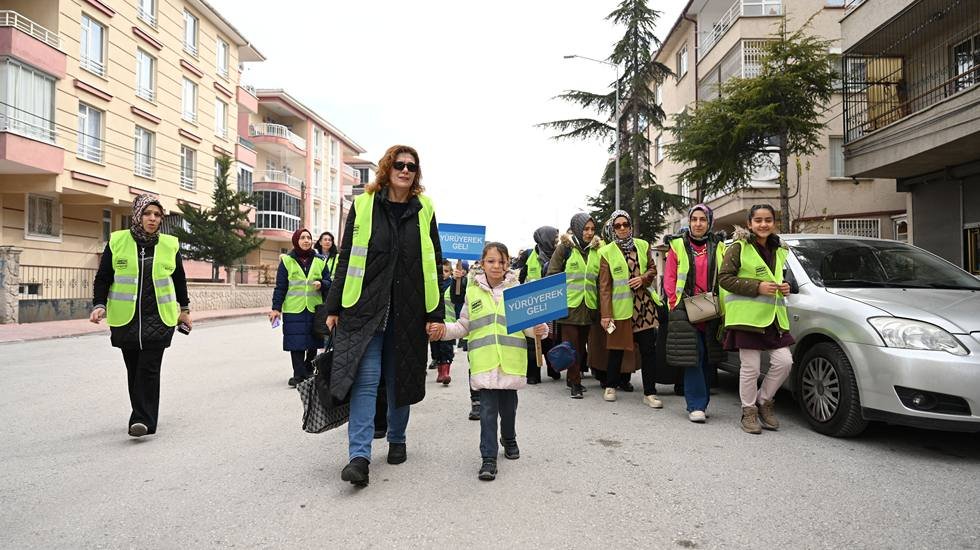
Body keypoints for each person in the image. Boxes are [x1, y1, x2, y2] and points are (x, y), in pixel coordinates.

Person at [324, 145, 444, 488]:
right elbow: (346, 257)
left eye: (412, 166)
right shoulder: (363, 206)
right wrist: (333, 307)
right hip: (365, 309)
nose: (405, 170)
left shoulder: (424, 209)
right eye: (400, 165)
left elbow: (433, 261)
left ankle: (397, 438)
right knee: (366, 380)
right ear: (388, 168)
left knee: (399, 377)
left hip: (409, 309)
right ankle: (358, 458)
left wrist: (434, 313)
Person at [430, 242, 548, 481]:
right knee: (487, 412)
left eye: (502, 261)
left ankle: (509, 437)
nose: (497, 266)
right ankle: (488, 458)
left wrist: (539, 329)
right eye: (491, 261)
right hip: (484, 364)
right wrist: (443, 331)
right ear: (482, 263)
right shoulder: (472, 292)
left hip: (510, 364)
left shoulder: (517, 291)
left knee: (508, 410)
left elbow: (528, 329)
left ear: (508, 264)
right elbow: (464, 326)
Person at [90, 194, 191, 438]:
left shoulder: (169, 245)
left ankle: (142, 420)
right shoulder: (117, 241)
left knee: (148, 369)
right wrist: (99, 304)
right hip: (127, 319)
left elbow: (179, 280)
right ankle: (142, 413)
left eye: (157, 215)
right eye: (147, 214)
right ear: (138, 215)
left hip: (160, 318)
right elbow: (104, 277)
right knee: (133, 369)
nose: (153, 219)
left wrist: (184, 310)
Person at [718, 204, 796, 434]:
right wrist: (757, 287)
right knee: (750, 368)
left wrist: (786, 287)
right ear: (749, 224)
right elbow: (724, 278)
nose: (763, 224)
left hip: (773, 318)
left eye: (768, 220)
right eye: (758, 220)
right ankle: (748, 411)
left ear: (774, 223)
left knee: (785, 362)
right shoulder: (739, 247)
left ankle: (764, 401)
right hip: (747, 318)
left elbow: (782, 278)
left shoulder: (781, 249)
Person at [663, 204, 727, 423]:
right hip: (685, 308)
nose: (698, 224)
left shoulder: (718, 245)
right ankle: (696, 405)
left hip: (711, 307)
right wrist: (674, 302)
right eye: (694, 219)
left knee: (709, 356)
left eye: (702, 219)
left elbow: (725, 274)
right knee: (695, 355)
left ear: (709, 222)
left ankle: (703, 402)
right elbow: (670, 277)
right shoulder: (678, 245)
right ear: (688, 222)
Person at [597, 210, 664, 407]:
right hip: (620, 309)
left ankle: (650, 393)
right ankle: (610, 386)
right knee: (616, 349)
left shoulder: (642, 245)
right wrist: (606, 314)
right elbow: (604, 286)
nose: (622, 228)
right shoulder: (606, 252)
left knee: (648, 350)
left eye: (625, 224)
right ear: (612, 229)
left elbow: (653, 269)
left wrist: (643, 278)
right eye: (617, 226)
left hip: (644, 307)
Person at [546, 213, 601, 398]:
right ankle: (575, 383)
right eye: (586, 229)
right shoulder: (565, 249)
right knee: (571, 347)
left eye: (592, 229)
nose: (590, 233)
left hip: (589, 306)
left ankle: (573, 377)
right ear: (577, 229)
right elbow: (552, 273)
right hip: (569, 306)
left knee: (582, 347)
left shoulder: (597, 250)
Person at [269, 229, 330, 387]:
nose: (306, 240)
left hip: (313, 309)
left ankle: (309, 371)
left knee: (312, 343)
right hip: (293, 309)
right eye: (302, 238)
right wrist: (276, 308)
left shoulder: (320, 261)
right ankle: (298, 375)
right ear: (296, 241)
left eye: (308, 238)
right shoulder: (287, 261)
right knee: (296, 343)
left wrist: (322, 284)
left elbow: (329, 283)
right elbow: (280, 287)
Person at [517, 226, 560, 383]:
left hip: (552, 300)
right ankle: (533, 374)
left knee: (551, 337)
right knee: (532, 338)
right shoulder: (529, 255)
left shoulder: (560, 253)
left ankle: (553, 368)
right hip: (532, 302)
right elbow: (521, 277)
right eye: (554, 237)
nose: (557, 240)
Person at [430, 260, 455, 385]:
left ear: (450, 272)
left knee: (446, 348)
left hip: (448, 324)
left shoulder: (452, 286)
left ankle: (445, 373)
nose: (443, 273)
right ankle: (439, 371)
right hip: (434, 323)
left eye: (446, 271)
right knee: (436, 348)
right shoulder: (433, 285)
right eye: (441, 271)